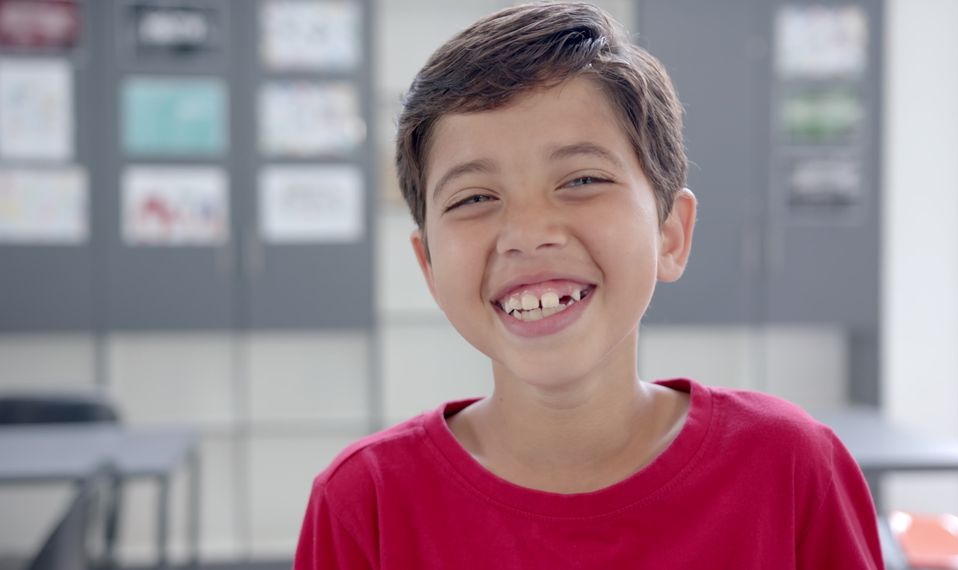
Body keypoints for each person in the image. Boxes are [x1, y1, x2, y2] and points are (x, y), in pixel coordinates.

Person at [295, 3, 884, 568]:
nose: (526, 234)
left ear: (671, 234)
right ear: (429, 267)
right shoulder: (365, 503)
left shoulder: (789, 468)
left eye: (580, 179)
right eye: (475, 198)